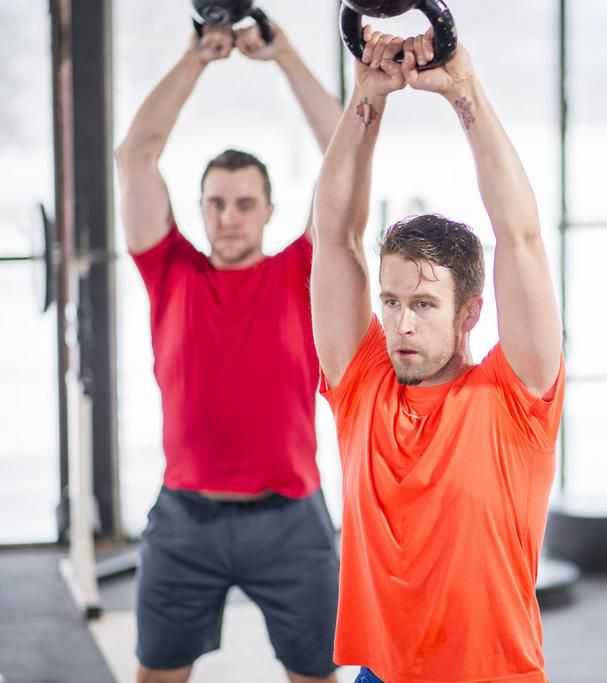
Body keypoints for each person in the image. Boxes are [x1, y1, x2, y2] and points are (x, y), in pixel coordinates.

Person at [311, 26, 565, 683]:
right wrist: (367, 98)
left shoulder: (516, 399)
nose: (399, 321)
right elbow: (334, 236)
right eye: (391, 301)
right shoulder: (362, 383)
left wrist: (464, 91)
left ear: (469, 313)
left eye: (423, 305)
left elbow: (523, 237)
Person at [114, 20, 343, 683]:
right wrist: (196, 56)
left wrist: (285, 55)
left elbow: (342, 149)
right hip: (186, 521)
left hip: (292, 523)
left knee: (316, 677)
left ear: (270, 209)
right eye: (216, 203)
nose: (229, 216)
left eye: (245, 203)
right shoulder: (170, 270)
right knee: (156, 675)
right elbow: (136, 154)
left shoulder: (303, 269)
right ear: (201, 208)